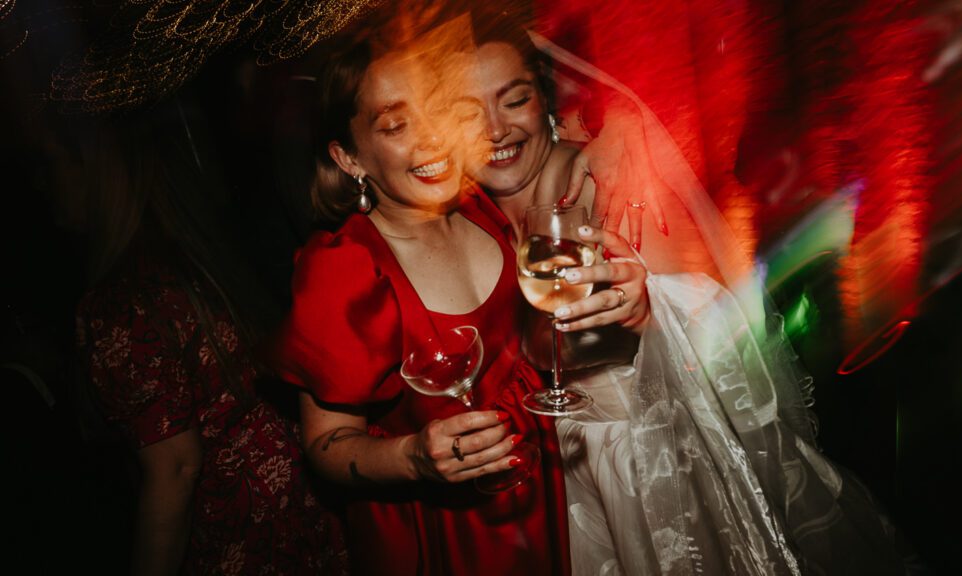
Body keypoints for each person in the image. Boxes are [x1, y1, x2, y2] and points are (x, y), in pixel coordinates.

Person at [457, 10, 910, 575]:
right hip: (553, 486)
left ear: (545, 100)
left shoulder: (605, 184)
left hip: (653, 479)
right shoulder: (461, 217)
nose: (495, 129)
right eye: (466, 112)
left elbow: (715, 330)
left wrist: (643, 318)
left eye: (514, 99)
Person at [271, 18, 571, 576]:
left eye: (438, 108)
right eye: (395, 125)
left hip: (549, 491)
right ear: (349, 158)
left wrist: (620, 133)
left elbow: (561, 155)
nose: (431, 137)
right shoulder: (345, 268)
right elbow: (327, 445)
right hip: (444, 533)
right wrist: (412, 458)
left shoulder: (484, 203)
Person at [76, 108, 349, 575]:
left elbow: (175, 469)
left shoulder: (120, 303)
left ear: (94, 173)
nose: (41, 184)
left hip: (243, 528)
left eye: (50, 163)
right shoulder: (194, 252)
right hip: (298, 494)